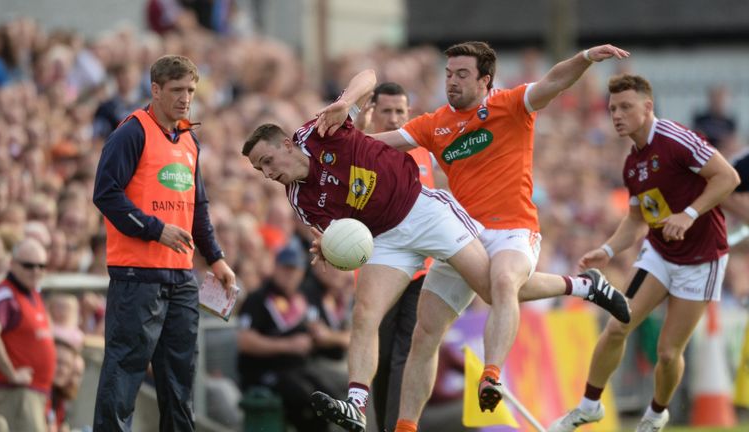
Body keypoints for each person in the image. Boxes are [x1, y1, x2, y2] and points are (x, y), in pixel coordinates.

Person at [242, 69, 622, 432]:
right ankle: (356, 403)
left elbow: (369, 76)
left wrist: (346, 101)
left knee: (495, 289)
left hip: (423, 212)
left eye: (268, 161)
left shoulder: (320, 130)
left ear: (287, 144)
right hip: (385, 239)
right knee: (365, 314)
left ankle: (582, 285)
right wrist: (330, 246)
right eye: (261, 169)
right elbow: (346, 234)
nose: (268, 173)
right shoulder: (299, 199)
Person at [548, 74, 740, 432]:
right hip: (659, 254)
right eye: (612, 109)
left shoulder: (676, 139)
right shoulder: (632, 164)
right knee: (616, 327)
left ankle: (655, 414)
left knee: (668, 353)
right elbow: (637, 220)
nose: (617, 115)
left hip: (702, 259)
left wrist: (689, 214)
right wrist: (607, 249)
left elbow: (728, 177)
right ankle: (589, 407)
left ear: (647, 107)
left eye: (625, 107)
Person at [92, 54, 236, 431]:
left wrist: (216, 258)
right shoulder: (131, 132)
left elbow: (197, 206)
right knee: (122, 379)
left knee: (180, 385)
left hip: (181, 277)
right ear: (155, 90)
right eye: (176, 90)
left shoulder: (189, 138)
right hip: (136, 277)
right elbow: (105, 194)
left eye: (191, 90)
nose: (185, 98)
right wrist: (155, 229)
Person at [357, 82, 438, 432]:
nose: (393, 118)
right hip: (380, 270)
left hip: (421, 270)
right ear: (372, 112)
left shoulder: (422, 151)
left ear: (409, 113)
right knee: (384, 355)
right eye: (386, 111)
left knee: (407, 352)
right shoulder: (361, 153)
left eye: (399, 112)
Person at [237, 243, 341, 431]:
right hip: (264, 371)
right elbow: (244, 341)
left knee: (330, 397)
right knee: (304, 398)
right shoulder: (258, 298)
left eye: (295, 269)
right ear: (276, 267)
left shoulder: (302, 299)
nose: (290, 274)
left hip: (298, 368)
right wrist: (288, 345)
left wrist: (317, 335)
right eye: (286, 268)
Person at [0, 238, 54, 432]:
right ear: (12, 264)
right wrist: (12, 374)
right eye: (28, 265)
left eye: (41, 266)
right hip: (16, 396)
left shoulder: (32, 293)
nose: (36, 271)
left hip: (34, 395)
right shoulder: (6, 295)